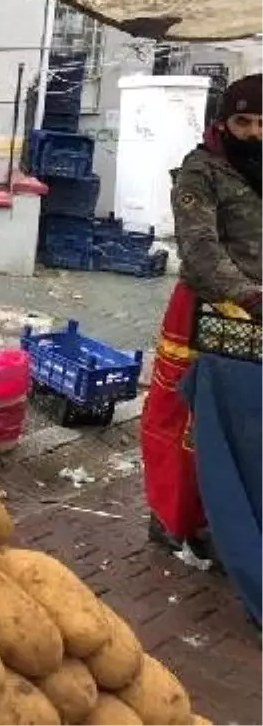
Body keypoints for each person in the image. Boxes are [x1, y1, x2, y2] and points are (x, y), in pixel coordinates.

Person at [140, 73, 263, 559]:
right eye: (243, 121)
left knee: (243, 420)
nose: (254, 132)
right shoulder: (202, 171)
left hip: (260, 315)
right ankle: (171, 517)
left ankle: (222, 518)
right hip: (206, 311)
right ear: (223, 122)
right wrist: (250, 296)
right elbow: (199, 248)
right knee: (179, 418)